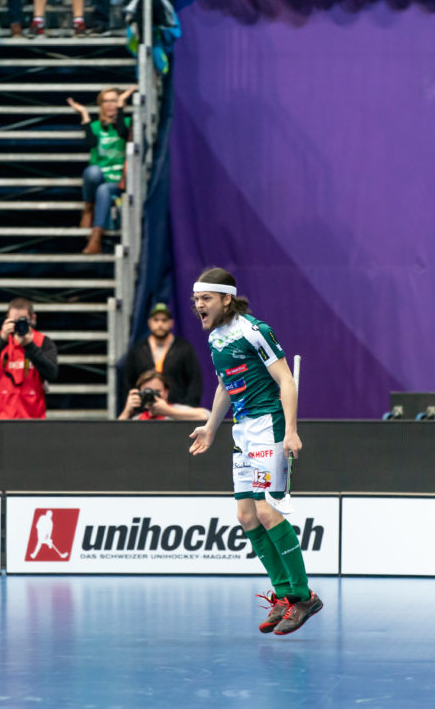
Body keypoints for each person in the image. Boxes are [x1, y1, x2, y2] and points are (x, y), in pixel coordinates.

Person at [187, 267, 320, 636]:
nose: (198, 305)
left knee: (267, 511)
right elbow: (225, 386)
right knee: (246, 517)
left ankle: (303, 596)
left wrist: (291, 431)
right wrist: (212, 428)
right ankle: (283, 596)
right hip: (242, 431)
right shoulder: (216, 338)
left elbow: (285, 380)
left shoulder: (255, 331)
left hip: (269, 427)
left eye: (206, 299)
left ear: (226, 299)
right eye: (196, 299)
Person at [68, 85, 133, 254]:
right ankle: (88, 207)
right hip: (99, 177)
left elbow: (122, 133)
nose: (110, 104)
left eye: (113, 100)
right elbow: (90, 144)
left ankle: (95, 238)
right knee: (92, 172)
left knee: (104, 190)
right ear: (101, 105)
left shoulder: (127, 123)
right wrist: (84, 114)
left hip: (117, 181)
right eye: (106, 101)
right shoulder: (96, 126)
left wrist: (120, 108)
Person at [0, 297, 58, 419]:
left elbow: (52, 373)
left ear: (33, 319)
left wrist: (30, 346)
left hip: (33, 418)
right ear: (7, 319)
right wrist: (1, 339)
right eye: (14, 321)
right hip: (0, 418)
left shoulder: (43, 342)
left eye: (23, 321)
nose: (19, 326)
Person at [121, 301, 202, 407]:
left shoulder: (184, 348)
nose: (160, 324)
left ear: (171, 323)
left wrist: (188, 409)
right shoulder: (137, 350)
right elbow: (127, 383)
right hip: (144, 412)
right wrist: (134, 408)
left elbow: (195, 382)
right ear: (149, 323)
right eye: (156, 320)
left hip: (176, 413)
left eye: (164, 320)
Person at [119, 370, 209, 422]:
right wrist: (126, 412)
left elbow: (207, 416)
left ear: (166, 392)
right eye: (147, 391)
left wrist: (169, 412)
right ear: (139, 393)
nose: (152, 395)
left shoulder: (177, 410)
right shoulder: (138, 419)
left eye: (157, 391)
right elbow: (115, 433)